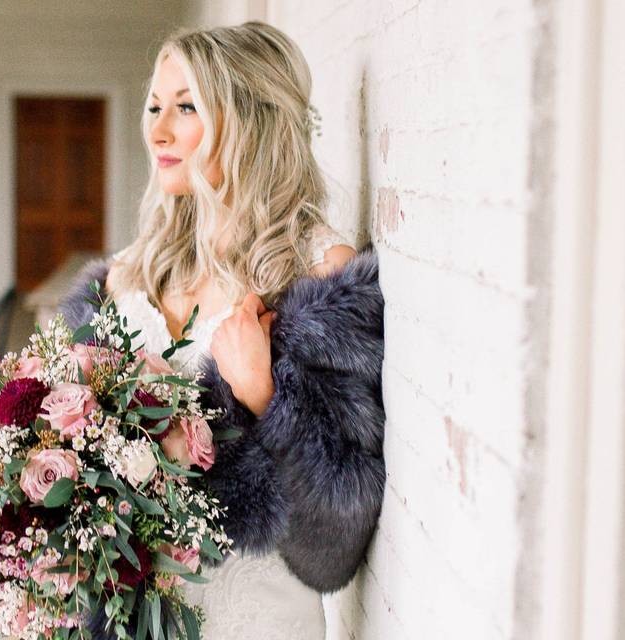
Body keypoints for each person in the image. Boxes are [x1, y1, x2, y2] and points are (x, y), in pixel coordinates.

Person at [60, 21, 385, 640]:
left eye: (186, 108)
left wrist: (263, 393)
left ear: (249, 119)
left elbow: (337, 535)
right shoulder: (130, 273)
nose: (158, 130)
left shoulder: (319, 274)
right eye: (155, 106)